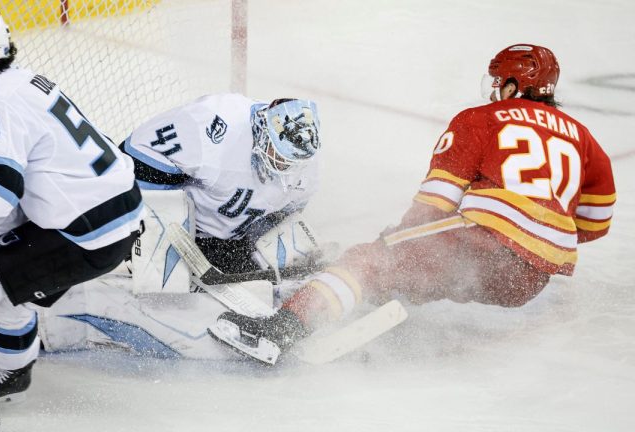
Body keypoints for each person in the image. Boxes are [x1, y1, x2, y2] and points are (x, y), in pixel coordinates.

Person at [209, 43, 617, 363]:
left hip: (485, 246)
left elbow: (435, 204)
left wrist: (394, 242)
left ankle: (278, 332)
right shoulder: (583, 137)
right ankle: (372, 300)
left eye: (499, 82)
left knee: (368, 259)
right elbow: (597, 222)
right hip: (530, 280)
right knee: (419, 267)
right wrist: (532, 235)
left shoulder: (481, 119)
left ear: (514, 87)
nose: (495, 89)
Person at [0, 6, 143, 431]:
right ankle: (14, 369)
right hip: (119, 214)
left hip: (85, 233)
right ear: (9, 46)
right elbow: (18, 193)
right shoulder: (31, 80)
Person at [120, 94, 321, 274]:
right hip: (181, 228)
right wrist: (138, 228)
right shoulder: (211, 124)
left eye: (291, 161)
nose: (284, 166)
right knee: (160, 280)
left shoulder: (306, 163)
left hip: (226, 240)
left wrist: (258, 251)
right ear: (262, 130)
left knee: (289, 271)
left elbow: (280, 218)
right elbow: (137, 155)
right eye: (277, 154)